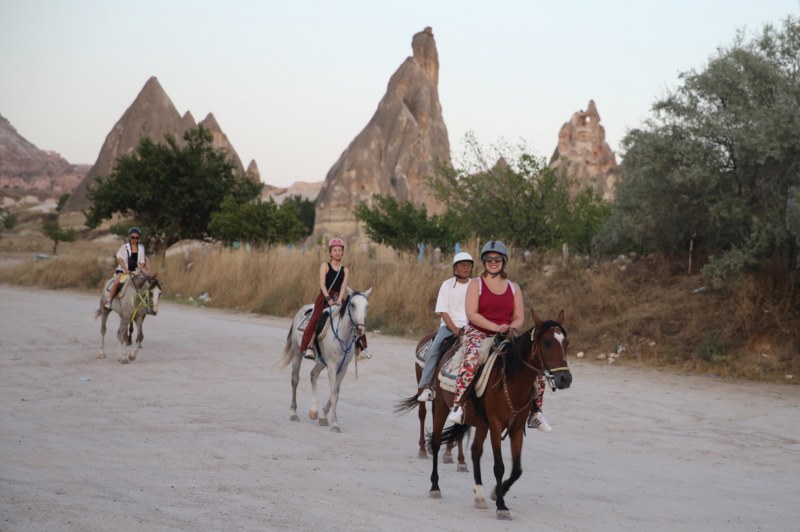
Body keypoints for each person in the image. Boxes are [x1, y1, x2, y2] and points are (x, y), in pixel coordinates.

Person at [446, 241, 552, 432]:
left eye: (497, 259)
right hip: (479, 333)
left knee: (536, 368)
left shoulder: (513, 288)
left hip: (506, 334)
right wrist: (495, 327)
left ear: (504, 261)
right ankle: (459, 405)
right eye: (488, 259)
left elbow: (519, 316)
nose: (492, 262)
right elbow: (472, 314)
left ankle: (535, 412)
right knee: (471, 360)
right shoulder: (476, 284)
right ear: (484, 261)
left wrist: (511, 327)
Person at [416, 251, 474, 402]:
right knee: (435, 348)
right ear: (455, 268)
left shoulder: (475, 285)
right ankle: (427, 386)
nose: (466, 268)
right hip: (449, 327)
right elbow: (443, 311)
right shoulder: (447, 285)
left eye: (468, 265)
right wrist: (455, 330)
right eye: (462, 265)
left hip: (471, 327)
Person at [301, 237, 369, 361]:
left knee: (354, 317)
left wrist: (339, 300)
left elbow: (343, 286)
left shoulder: (345, 269)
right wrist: (328, 298)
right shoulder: (325, 266)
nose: (337, 252)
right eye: (334, 250)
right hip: (324, 296)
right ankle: (309, 346)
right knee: (315, 318)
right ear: (330, 253)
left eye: (339, 250)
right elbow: (322, 284)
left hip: (338, 297)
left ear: (343, 252)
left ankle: (360, 349)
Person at [105, 226, 149, 310]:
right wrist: (126, 270)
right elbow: (120, 259)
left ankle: (147, 303)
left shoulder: (141, 249)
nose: (134, 239)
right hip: (123, 270)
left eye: (136, 237)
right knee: (117, 282)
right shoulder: (124, 247)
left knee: (146, 283)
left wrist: (140, 271)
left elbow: (142, 262)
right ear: (130, 237)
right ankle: (109, 301)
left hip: (136, 271)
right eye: (133, 237)